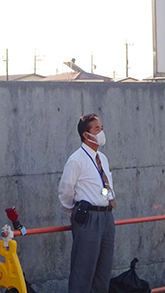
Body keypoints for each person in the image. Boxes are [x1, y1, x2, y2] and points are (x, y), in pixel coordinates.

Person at [58, 113, 116, 293]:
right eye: (97, 129)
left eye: (102, 128)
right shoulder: (76, 159)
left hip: (106, 215)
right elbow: (65, 190)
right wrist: (75, 212)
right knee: (83, 270)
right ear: (86, 134)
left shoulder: (102, 158)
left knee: (103, 270)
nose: (101, 132)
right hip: (88, 216)